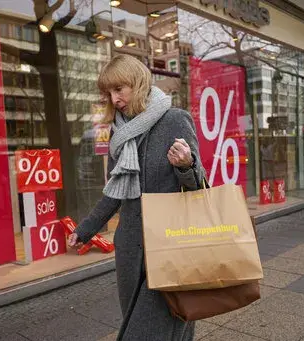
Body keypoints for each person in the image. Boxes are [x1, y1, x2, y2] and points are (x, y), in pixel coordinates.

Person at [67, 54, 206, 341]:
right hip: (131, 248)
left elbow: (199, 186)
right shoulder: (119, 135)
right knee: (157, 324)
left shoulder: (175, 120)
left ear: (138, 82)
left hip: (171, 243)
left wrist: (186, 165)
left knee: (153, 329)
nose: (115, 99)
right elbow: (114, 193)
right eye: (109, 93)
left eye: (120, 89)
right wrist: (85, 230)